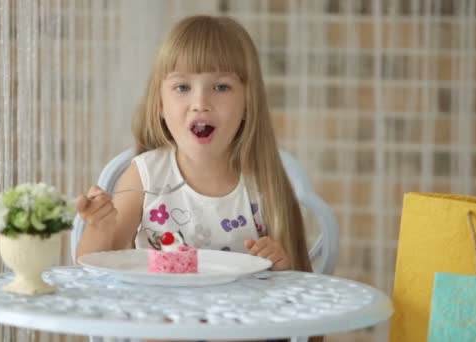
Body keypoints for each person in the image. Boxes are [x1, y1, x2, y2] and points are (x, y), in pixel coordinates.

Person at [75, 15, 312, 273]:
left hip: (238, 312)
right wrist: (100, 227)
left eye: (221, 87)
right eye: (183, 87)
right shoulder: (146, 176)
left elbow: (300, 285)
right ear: (160, 106)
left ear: (248, 103)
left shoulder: (264, 182)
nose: (200, 102)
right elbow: (92, 273)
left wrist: (281, 267)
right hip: (156, 312)